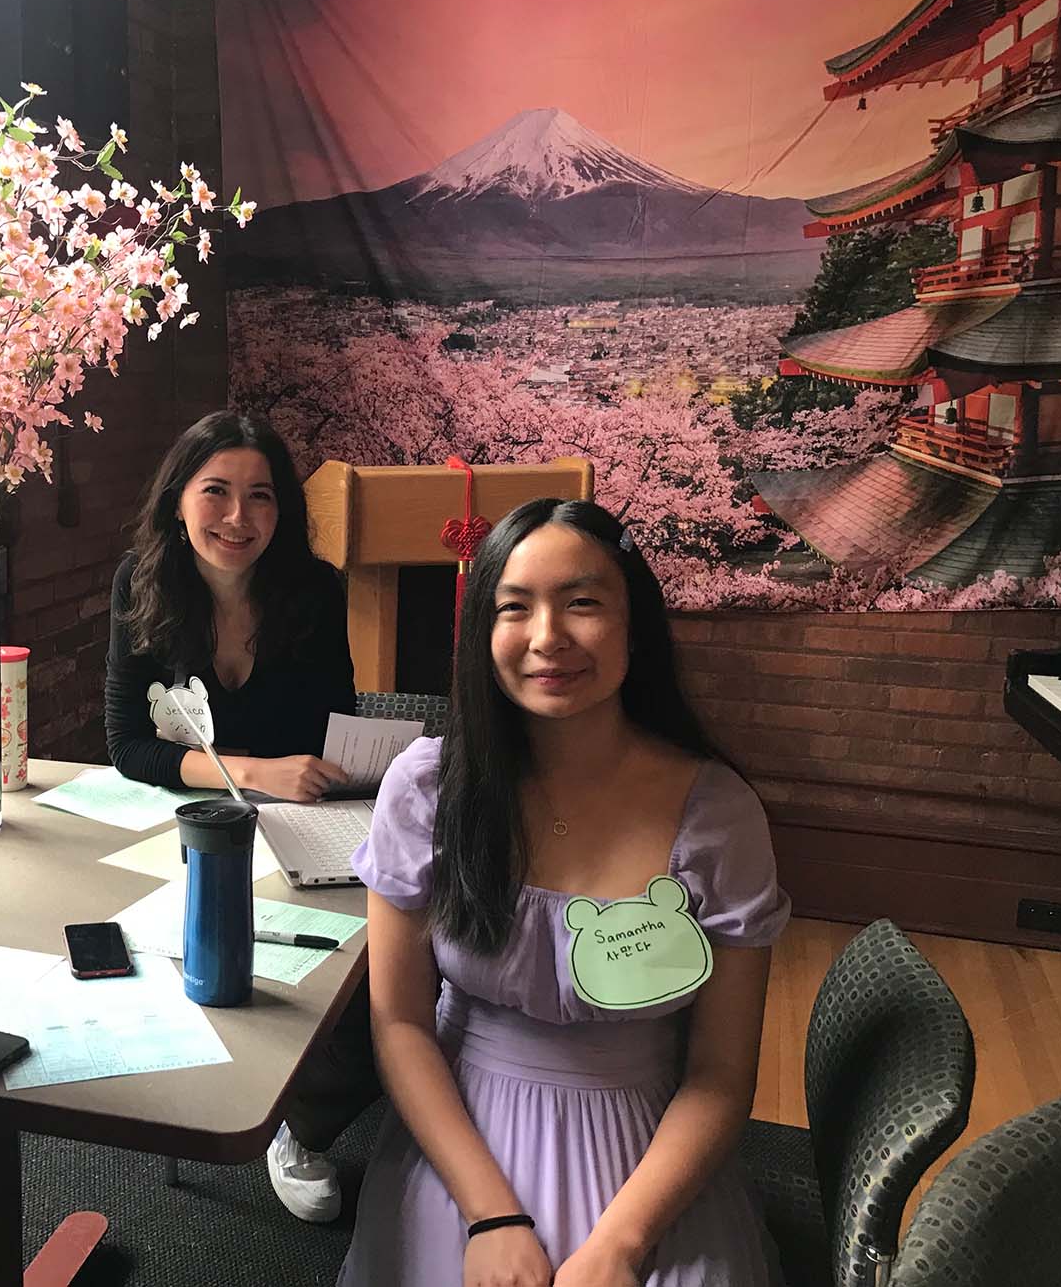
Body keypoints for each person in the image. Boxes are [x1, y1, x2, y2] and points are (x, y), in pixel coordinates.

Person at [341, 499, 788, 1287]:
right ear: (483, 634)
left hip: (650, 1156)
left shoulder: (716, 814)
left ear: (634, 625)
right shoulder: (428, 789)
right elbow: (401, 1022)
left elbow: (720, 1074)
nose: (547, 637)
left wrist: (620, 1245)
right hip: (462, 1137)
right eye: (515, 608)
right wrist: (493, 1216)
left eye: (582, 603)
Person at [104, 409, 372, 1222]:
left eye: (260, 497)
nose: (236, 517)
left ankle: (305, 1124)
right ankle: (208, 1090)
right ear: (178, 499)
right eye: (215, 491)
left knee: (355, 976)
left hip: (302, 827)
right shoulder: (142, 584)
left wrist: (339, 777)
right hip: (190, 825)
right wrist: (251, 774)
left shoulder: (314, 591)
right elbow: (127, 745)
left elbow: (339, 722)